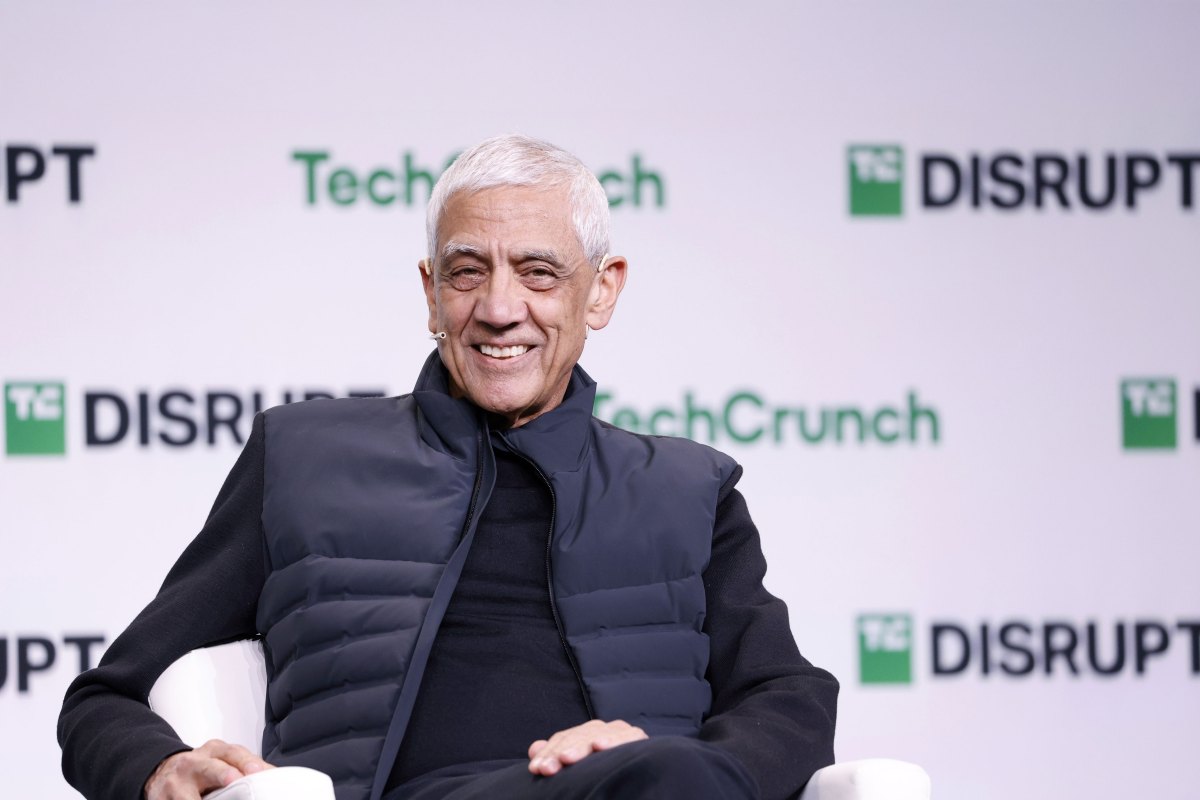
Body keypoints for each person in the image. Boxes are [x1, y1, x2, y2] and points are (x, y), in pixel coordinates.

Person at [58, 135, 838, 800]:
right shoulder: (302, 459)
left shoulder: (688, 490)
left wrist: (678, 762)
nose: (499, 308)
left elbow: (789, 696)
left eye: (538, 272)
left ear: (602, 292)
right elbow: (105, 698)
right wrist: (157, 764)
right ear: (432, 294)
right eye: (467, 272)